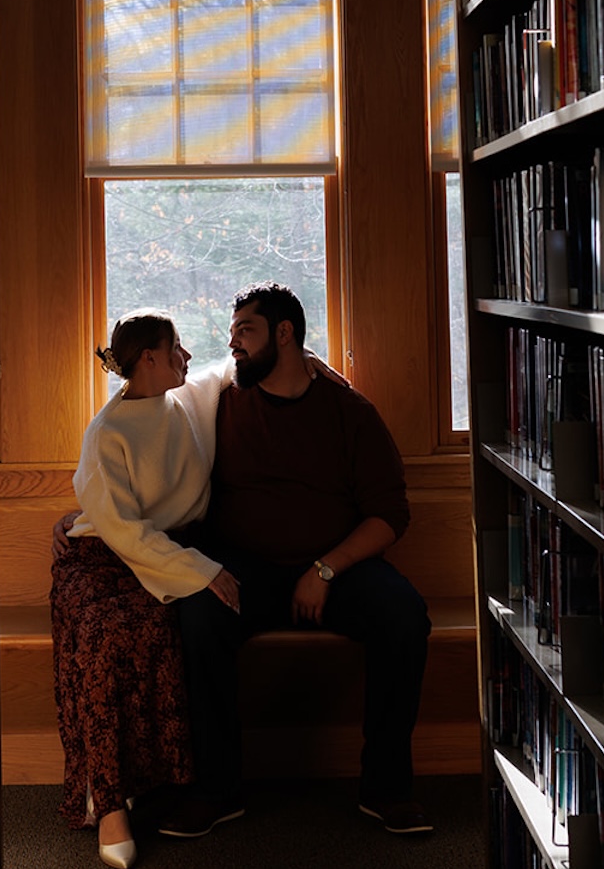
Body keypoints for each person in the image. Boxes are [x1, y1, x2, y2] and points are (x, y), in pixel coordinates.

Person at [159, 282, 433, 840]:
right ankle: (216, 791)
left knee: (405, 617)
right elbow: (136, 432)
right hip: (243, 568)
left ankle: (387, 790)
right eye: (231, 331)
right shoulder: (219, 400)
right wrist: (83, 512)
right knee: (197, 616)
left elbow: (390, 514)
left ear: (284, 334)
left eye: (245, 330)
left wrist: (326, 569)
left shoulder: (349, 411)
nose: (231, 342)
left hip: (336, 569)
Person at [49, 311, 240, 869]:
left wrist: (315, 361)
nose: (186, 356)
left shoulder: (187, 400)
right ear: (148, 359)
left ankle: (151, 785)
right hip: (96, 560)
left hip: (157, 560)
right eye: (176, 348)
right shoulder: (107, 432)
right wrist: (203, 571)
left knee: (156, 630)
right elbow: (122, 530)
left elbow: (228, 368)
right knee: (105, 638)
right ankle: (108, 806)